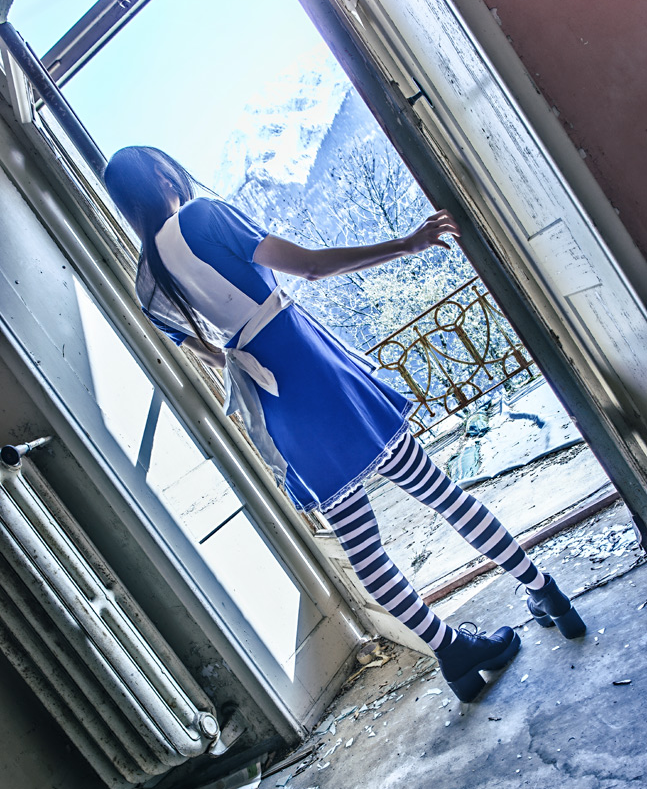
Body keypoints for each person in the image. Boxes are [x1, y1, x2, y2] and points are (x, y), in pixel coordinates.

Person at [103, 145, 586, 703]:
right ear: (162, 174)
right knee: (441, 493)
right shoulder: (201, 216)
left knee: (363, 548)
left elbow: (212, 354)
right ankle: (545, 590)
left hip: (276, 400)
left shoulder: (146, 283)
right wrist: (405, 243)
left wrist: (245, 346)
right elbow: (309, 266)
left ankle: (452, 652)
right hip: (317, 371)